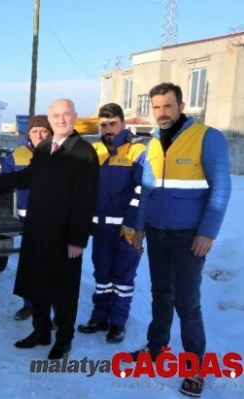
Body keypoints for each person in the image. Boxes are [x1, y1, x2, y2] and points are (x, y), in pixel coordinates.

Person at [0, 99, 99, 360]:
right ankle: (41, 331)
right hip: (38, 229)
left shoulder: (84, 152)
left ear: (74, 116)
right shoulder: (43, 149)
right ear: (50, 119)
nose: (61, 119)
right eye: (56, 115)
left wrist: (77, 239)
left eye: (66, 114)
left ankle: (63, 340)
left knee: (64, 290)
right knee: (37, 283)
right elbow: (25, 178)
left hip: (65, 236)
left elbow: (86, 199)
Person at [130, 83, 231, 397]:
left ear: (181, 105)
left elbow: (221, 189)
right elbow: (147, 190)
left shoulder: (206, 137)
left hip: (189, 237)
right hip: (158, 233)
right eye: (157, 107)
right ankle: (156, 347)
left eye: (168, 106)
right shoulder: (152, 144)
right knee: (161, 293)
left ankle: (194, 368)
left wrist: (207, 233)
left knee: (187, 303)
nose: (162, 113)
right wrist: (139, 227)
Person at [76, 103, 148, 344]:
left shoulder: (136, 151)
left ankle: (118, 323)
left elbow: (141, 191)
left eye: (113, 124)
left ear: (123, 124)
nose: (108, 129)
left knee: (123, 279)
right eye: (104, 125)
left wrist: (132, 225)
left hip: (127, 231)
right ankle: (99, 318)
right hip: (101, 230)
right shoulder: (93, 150)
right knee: (102, 276)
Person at [0, 116, 53, 321]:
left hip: (53, 220)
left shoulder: (59, 154)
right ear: (28, 134)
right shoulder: (18, 154)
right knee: (29, 264)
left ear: (50, 133)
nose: (39, 135)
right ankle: (29, 305)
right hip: (28, 220)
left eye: (44, 131)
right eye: (35, 131)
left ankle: (51, 310)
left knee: (52, 267)